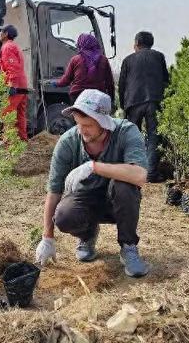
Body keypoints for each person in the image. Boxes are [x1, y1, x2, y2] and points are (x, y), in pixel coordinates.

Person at [34, 89, 149, 278]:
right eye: (78, 123)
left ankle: (128, 247)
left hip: (118, 202)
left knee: (125, 185)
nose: (81, 130)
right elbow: (54, 191)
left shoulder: (126, 132)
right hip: (85, 199)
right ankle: (87, 235)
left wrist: (94, 167)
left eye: (87, 125)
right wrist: (47, 237)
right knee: (63, 215)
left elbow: (140, 176)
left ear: (103, 122)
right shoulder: (68, 142)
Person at [118, 31, 169, 183]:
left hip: (133, 102)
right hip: (154, 100)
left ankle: (132, 171)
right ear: (151, 43)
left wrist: (123, 104)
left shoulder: (128, 60)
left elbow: (122, 84)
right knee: (154, 136)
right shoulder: (159, 57)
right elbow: (166, 79)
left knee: (133, 136)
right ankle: (151, 174)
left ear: (136, 44)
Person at [0, 24, 28, 141]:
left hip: (15, 86)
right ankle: (22, 141)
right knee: (20, 115)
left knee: (7, 114)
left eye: (1, 32)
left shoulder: (7, 47)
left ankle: (8, 144)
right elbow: (4, 63)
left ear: (5, 34)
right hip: (22, 84)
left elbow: (12, 68)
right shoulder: (11, 46)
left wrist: (12, 85)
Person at [53, 33, 115, 104]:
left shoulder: (75, 60)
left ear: (81, 44)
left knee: (76, 114)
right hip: (97, 97)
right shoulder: (103, 60)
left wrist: (56, 84)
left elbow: (66, 80)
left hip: (78, 96)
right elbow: (109, 83)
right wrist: (111, 99)